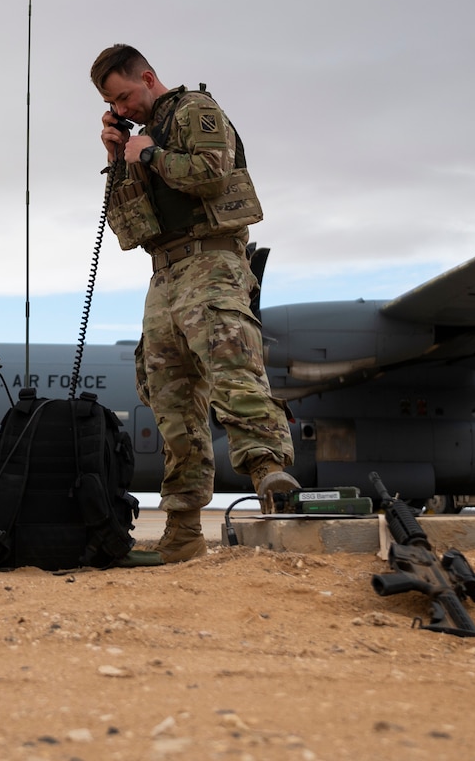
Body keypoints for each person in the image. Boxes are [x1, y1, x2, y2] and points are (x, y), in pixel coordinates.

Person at [93, 45, 297, 563]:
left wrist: (150, 154)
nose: (125, 107)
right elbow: (127, 228)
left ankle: (269, 472)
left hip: (212, 260)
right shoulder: (137, 140)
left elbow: (210, 173)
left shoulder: (195, 112)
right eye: (113, 103)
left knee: (232, 363)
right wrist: (118, 158)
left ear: (148, 77)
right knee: (171, 398)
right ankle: (182, 532)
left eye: (125, 95)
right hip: (163, 272)